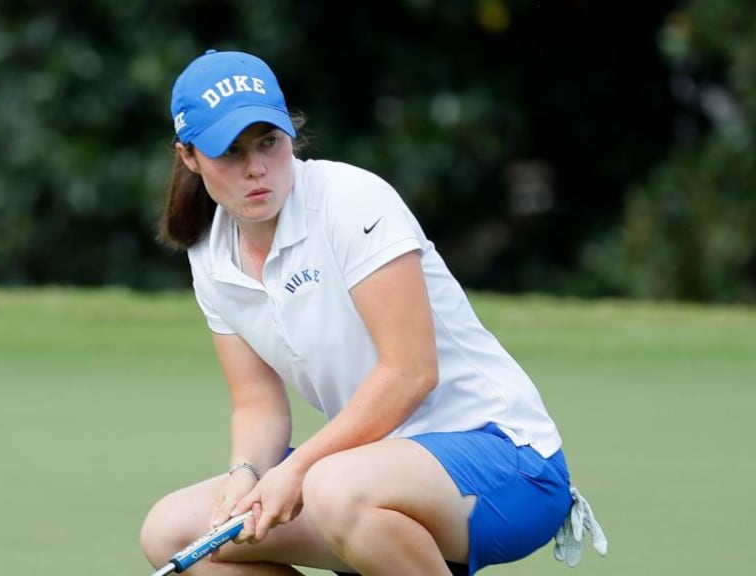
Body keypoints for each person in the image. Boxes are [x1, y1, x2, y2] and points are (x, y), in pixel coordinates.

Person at [140, 49, 606, 576]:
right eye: (230, 152)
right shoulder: (211, 253)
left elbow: (410, 371)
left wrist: (301, 470)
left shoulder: (350, 200)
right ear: (190, 156)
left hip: (509, 461)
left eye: (269, 143)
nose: (256, 169)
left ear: (289, 134)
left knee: (331, 487)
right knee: (172, 528)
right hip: (368, 471)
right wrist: (245, 475)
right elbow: (257, 406)